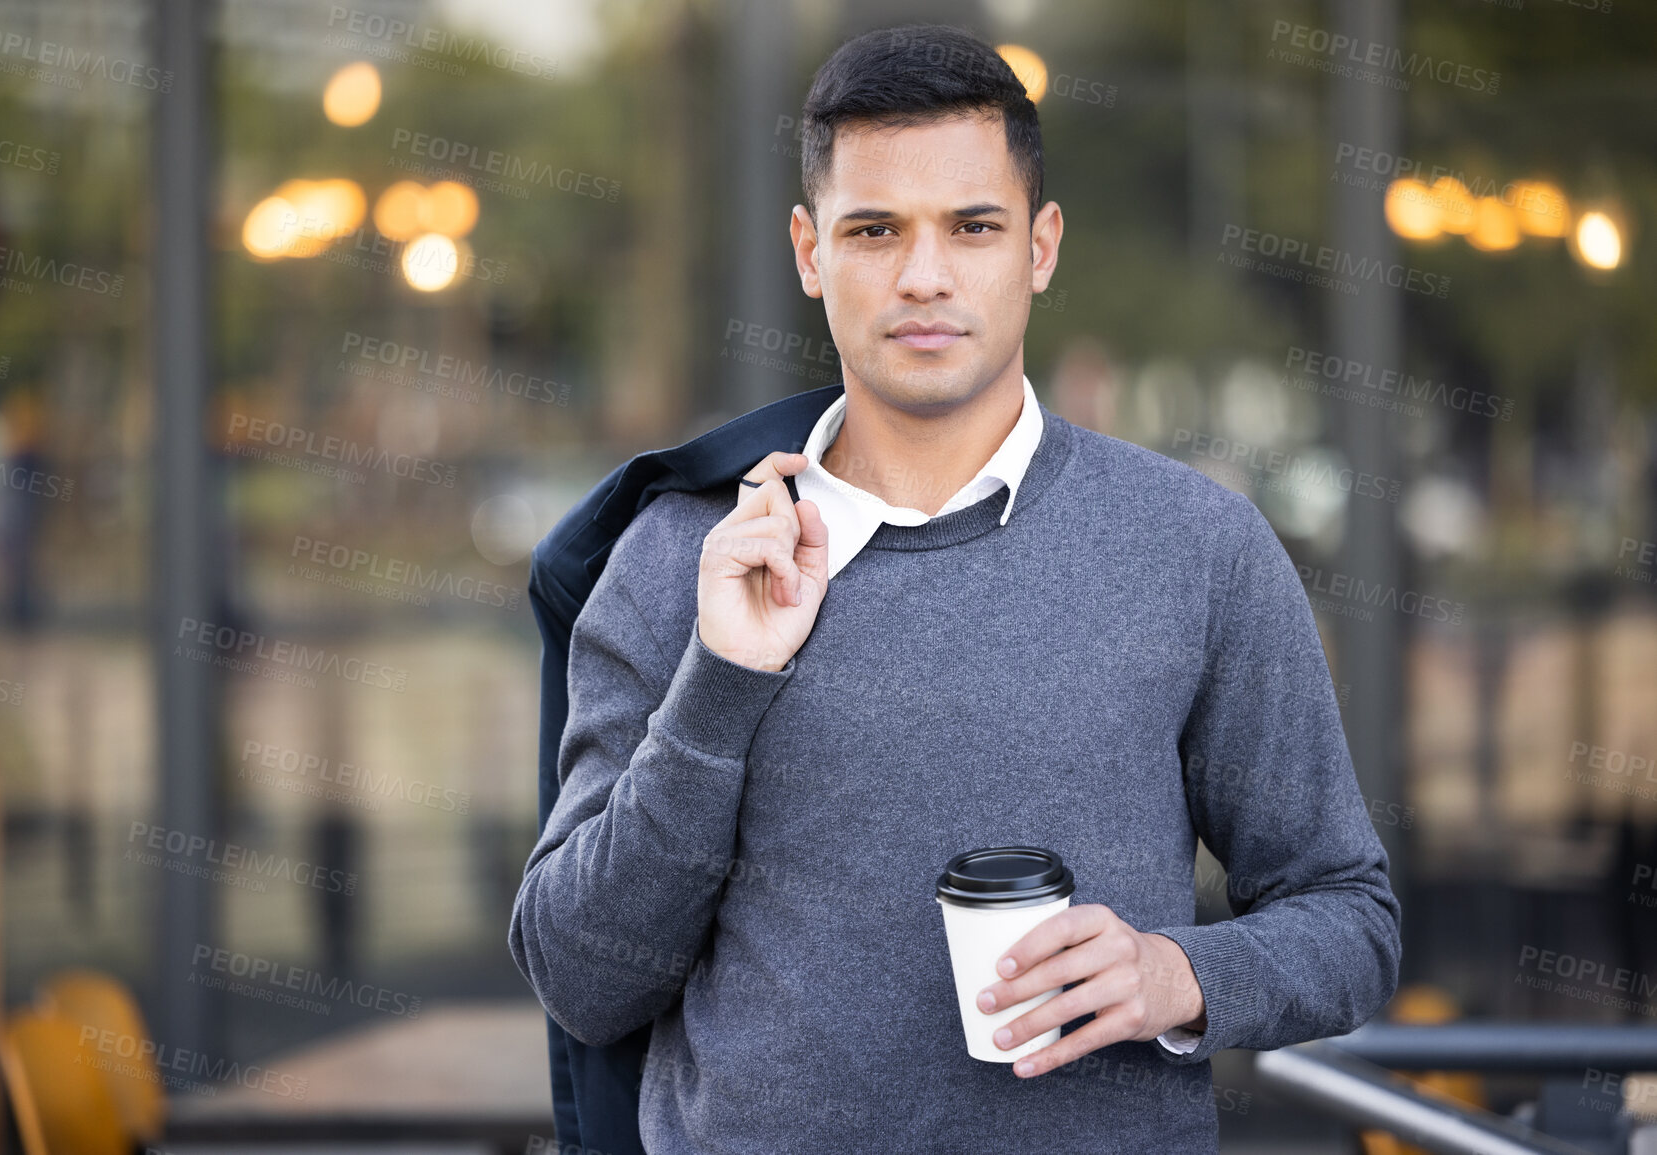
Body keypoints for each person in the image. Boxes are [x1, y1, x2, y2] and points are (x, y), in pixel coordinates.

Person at [510, 23, 1400, 1152]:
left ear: (1040, 245)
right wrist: (723, 680)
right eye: (874, 230)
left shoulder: (1197, 547)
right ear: (808, 252)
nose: (923, 276)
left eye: (972, 227)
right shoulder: (686, 554)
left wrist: (1174, 972)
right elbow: (582, 979)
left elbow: (1349, 920)